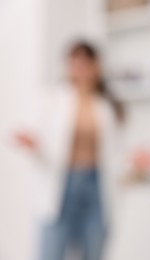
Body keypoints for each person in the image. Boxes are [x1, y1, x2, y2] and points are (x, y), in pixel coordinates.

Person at [15, 42, 124, 260]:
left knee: (94, 252)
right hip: (62, 186)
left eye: (85, 64)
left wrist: (134, 163)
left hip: (96, 187)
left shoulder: (107, 105)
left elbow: (116, 153)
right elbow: (40, 142)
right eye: (74, 64)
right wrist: (34, 146)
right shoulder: (52, 99)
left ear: (96, 66)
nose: (79, 70)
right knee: (51, 252)